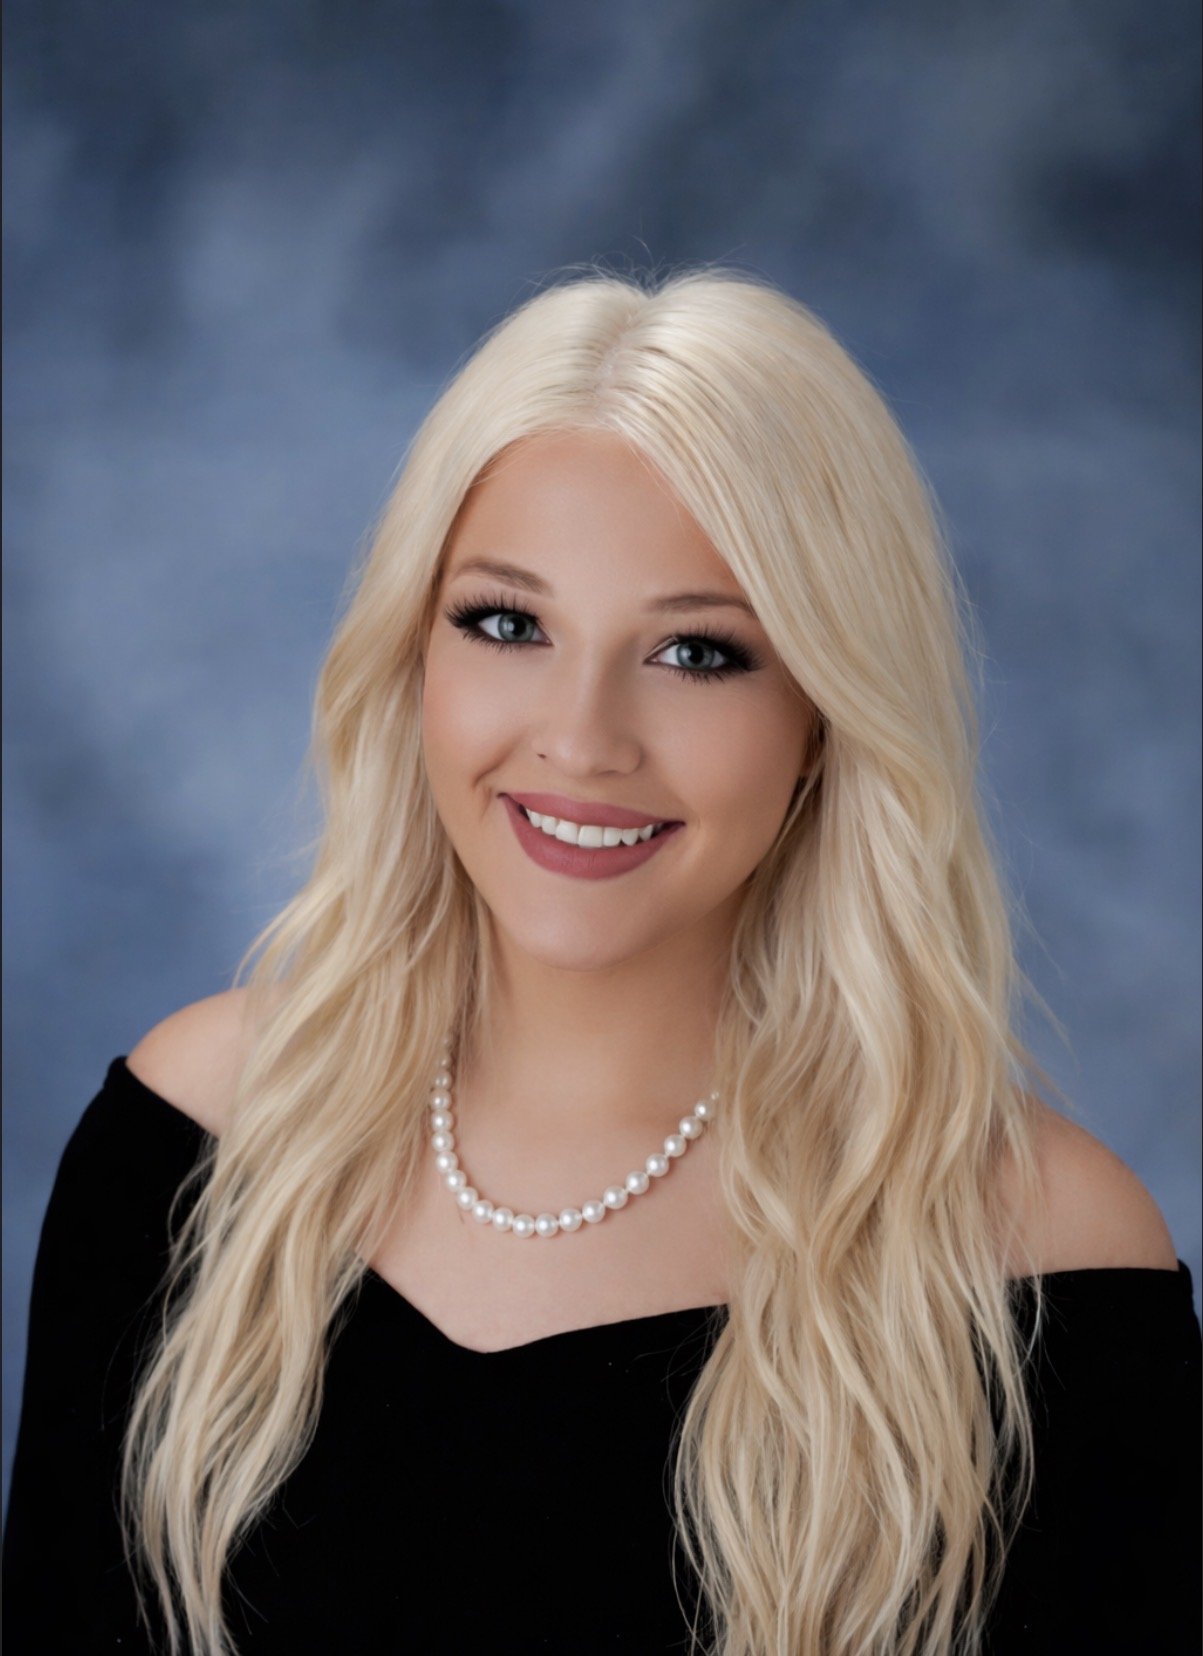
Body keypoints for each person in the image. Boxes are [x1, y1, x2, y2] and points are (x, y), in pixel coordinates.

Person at [3, 269, 1199, 1656]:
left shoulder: (1041, 1261)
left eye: (698, 652)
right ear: (413, 657)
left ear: (826, 714)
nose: (582, 738)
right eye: (508, 624)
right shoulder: (191, 1139)